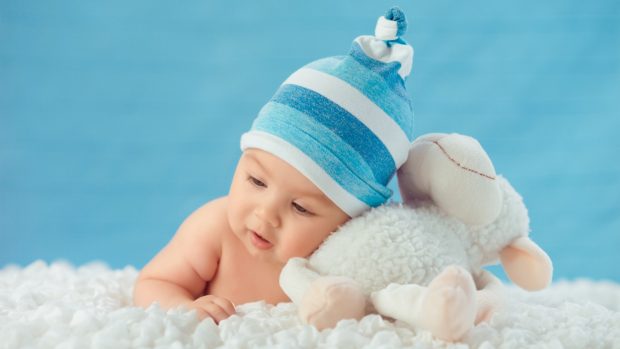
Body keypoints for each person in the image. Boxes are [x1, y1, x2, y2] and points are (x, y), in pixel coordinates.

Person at [133, 7, 415, 324]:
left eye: (300, 207)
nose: (265, 213)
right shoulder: (215, 230)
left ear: (350, 221)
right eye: (256, 181)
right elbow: (155, 283)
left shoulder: (344, 261)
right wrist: (182, 308)